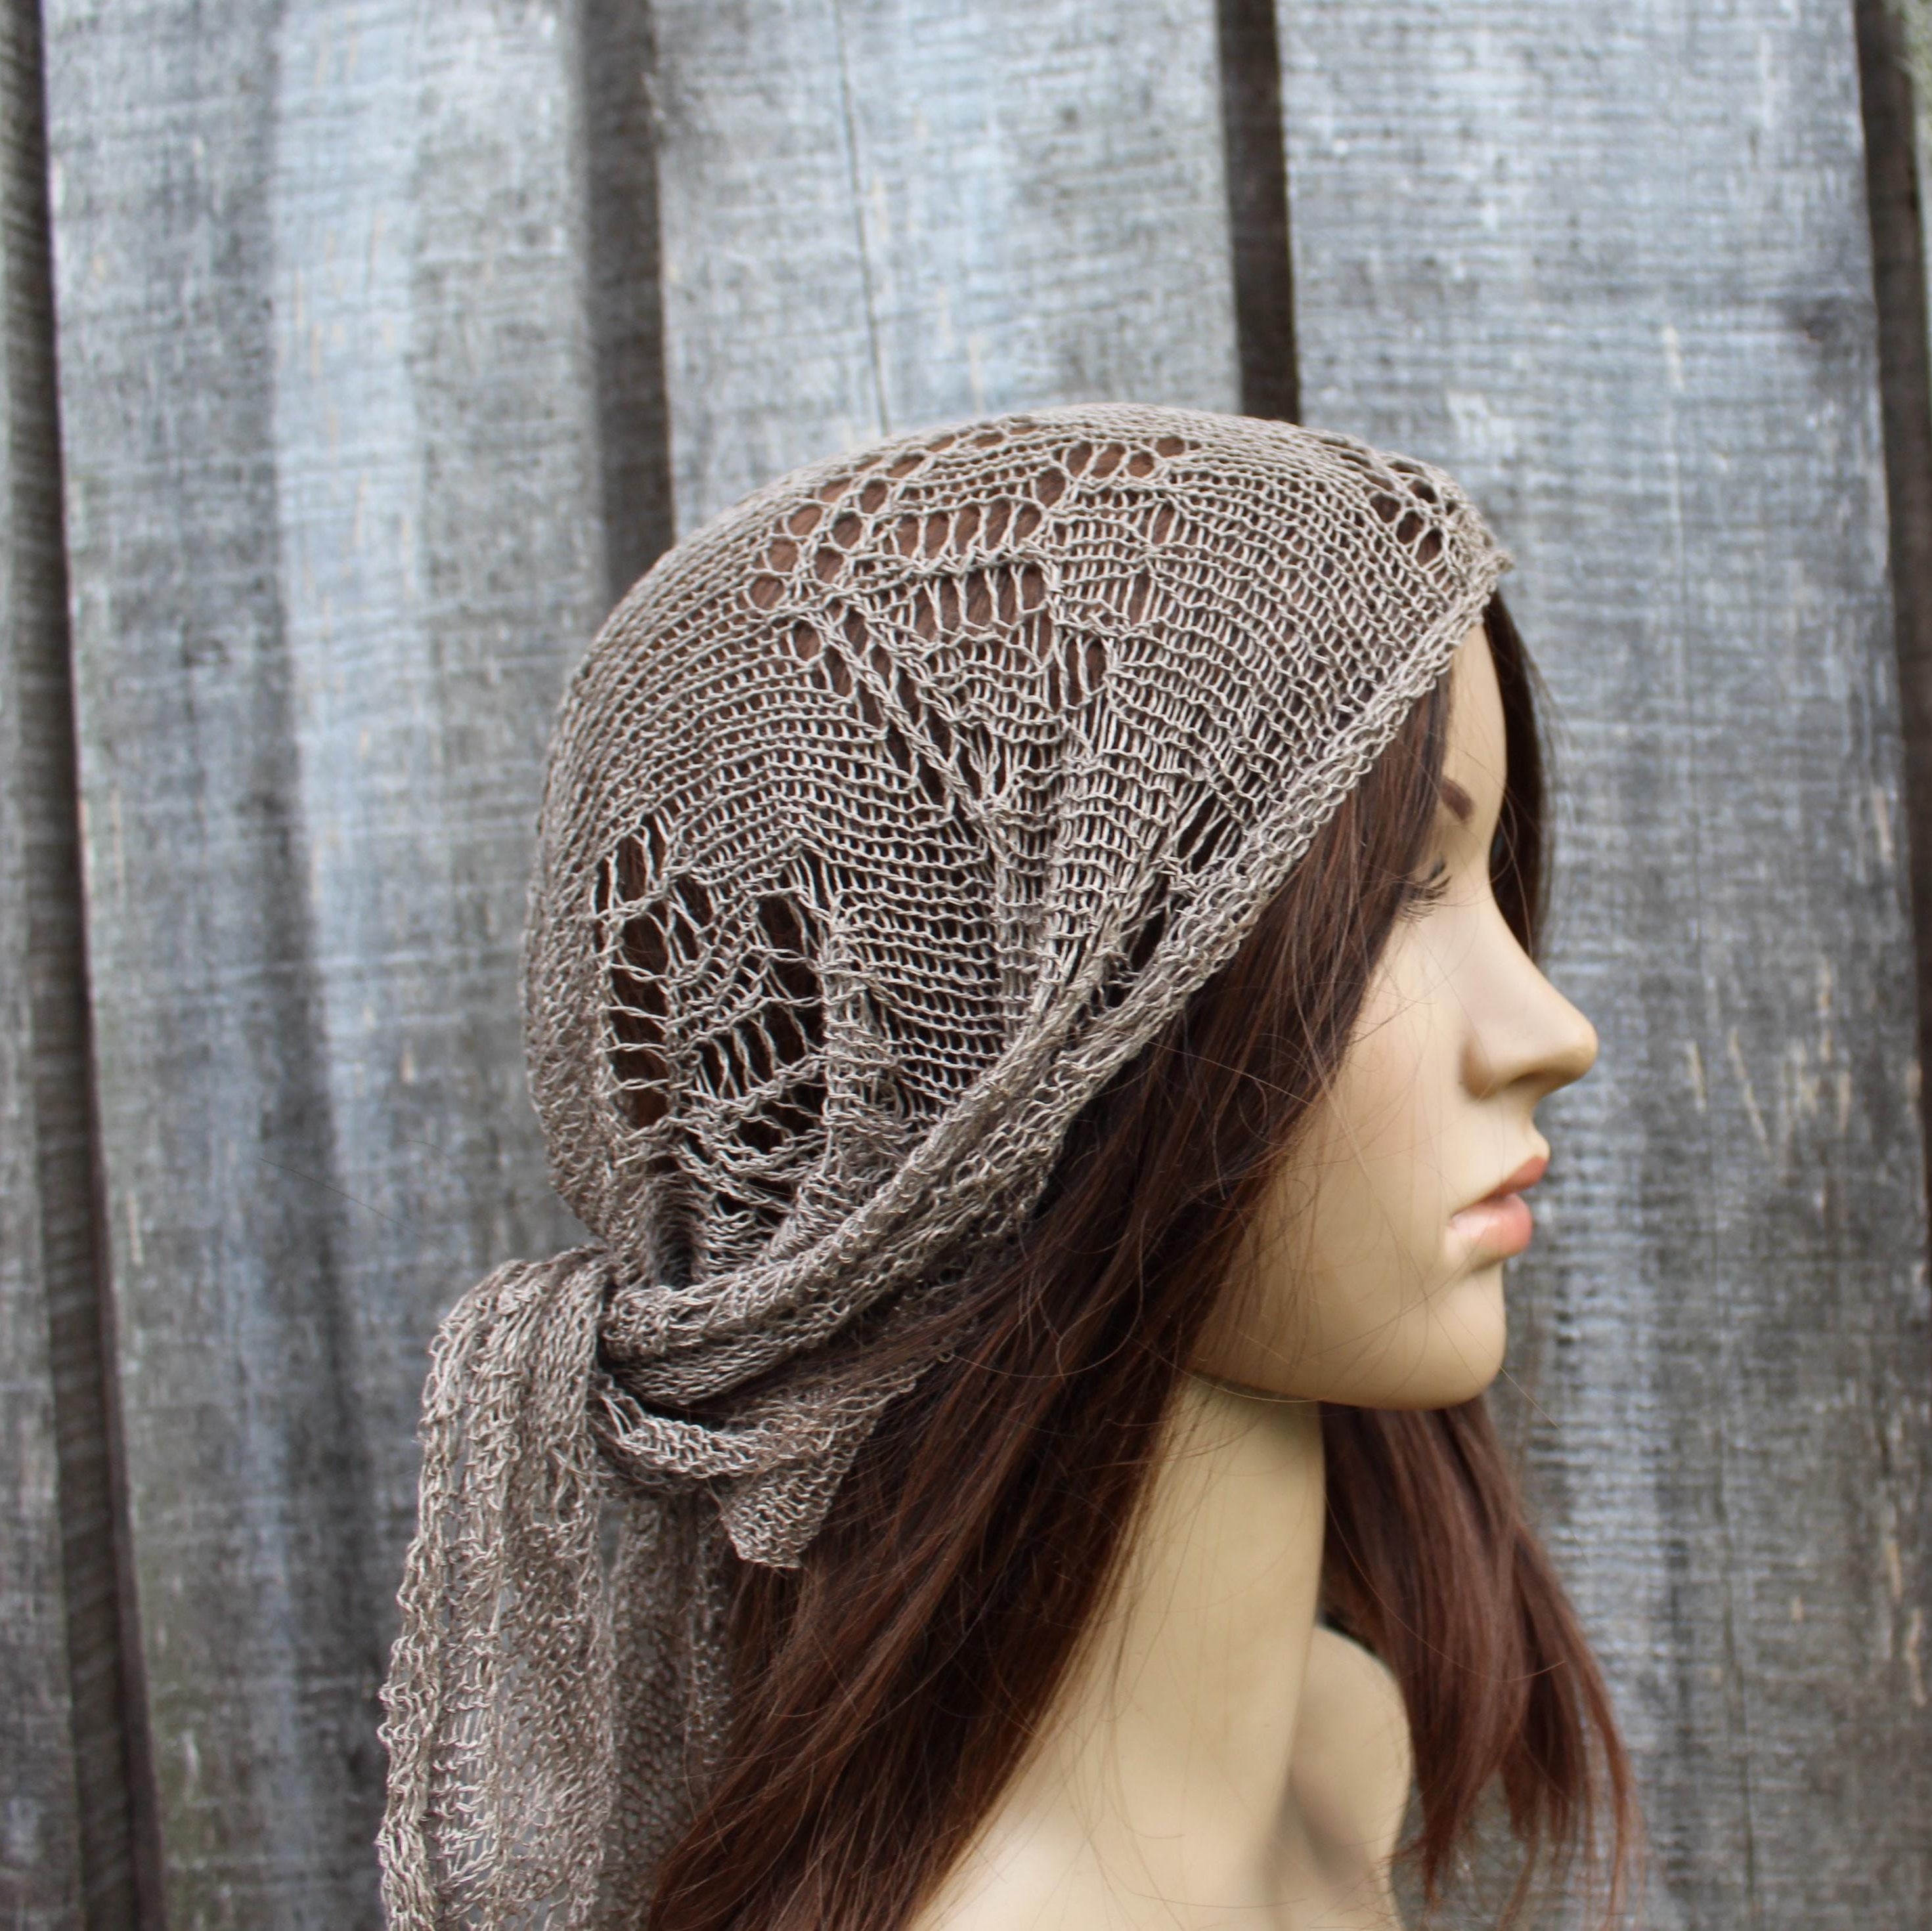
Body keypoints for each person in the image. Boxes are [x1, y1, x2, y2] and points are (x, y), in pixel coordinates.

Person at [377, 404, 1635, 1931]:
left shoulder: (1342, 1736)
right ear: (984, 1084)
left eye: (1485, 882)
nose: (1551, 1029)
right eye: (1395, 896)